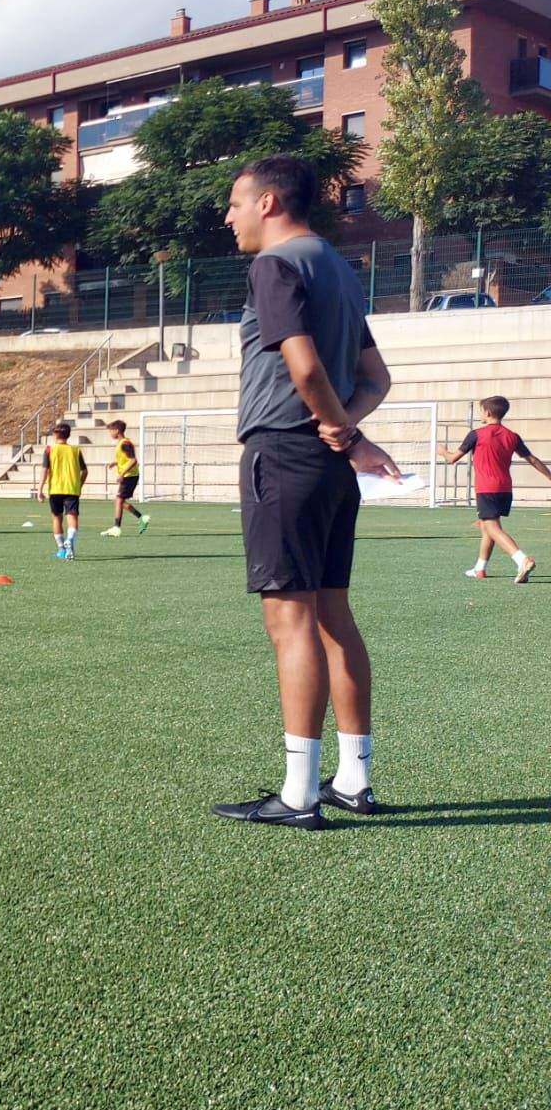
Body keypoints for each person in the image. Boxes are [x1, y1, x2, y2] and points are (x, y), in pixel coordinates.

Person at [211, 154, 399, 831]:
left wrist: (340, 432)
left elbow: (304, 363)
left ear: (267, 203)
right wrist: (348, 434)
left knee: (289, 623)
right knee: (332, 617)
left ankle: (298, 794)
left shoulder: (274, 264)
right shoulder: (341, 271)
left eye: (234, 203)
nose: (228, 217)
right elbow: (376, 377)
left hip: (287, 455)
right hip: (325, 467)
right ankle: (354, 776)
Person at [449, 395, 548, 583]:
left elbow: (452, 459)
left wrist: (442, 451)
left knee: (491, 527)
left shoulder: (476, 434)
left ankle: (522, 559)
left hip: (486, 488)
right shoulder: (512, 436)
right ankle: (480, 568)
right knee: (489, 527)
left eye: (481, 411)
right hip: (505, 488)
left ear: (487, 412)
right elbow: (532, 459)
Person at [39, 422, 86, 559]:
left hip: (55, 489)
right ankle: (70, 540)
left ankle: (61, 549)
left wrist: (40, 488)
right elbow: (85, 471)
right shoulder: (76, 450)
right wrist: (79, 485)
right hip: (72, 489)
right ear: (68, 435)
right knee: (72, 517)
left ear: (55, 435)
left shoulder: (49, 449)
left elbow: (45, 470)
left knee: (56, 518)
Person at [100, 419, 149, 537]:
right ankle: (142, 517)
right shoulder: (121, 443)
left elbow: (133, 460)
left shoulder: (125, 443)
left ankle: (116, 527)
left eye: (111, 431)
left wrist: (122, 474)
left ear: (117, 430)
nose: (110, 433)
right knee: (119, 501)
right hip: (129, 476)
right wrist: (116, 463)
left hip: (129, 476)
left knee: (118, 500)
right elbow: (126, 458)